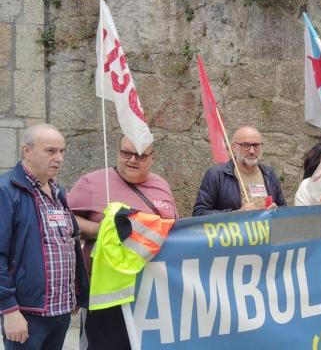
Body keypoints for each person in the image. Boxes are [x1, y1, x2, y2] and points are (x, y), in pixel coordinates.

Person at [68, 135, 178, 350]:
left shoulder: (161, 185)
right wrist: (102, 230)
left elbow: (174, 227)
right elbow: (66, 218)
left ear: (153, 158)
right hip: (107, 295)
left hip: (152, 293)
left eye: (140, 155)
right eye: (125, 153)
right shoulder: (92, 182)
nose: (132, 160)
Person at [0, 124, 89, 350]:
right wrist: (9, 309)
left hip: (60, 312)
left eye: (62, 151)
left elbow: (67, 242)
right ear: (26, 151)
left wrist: (77, 290)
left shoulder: (58, 192)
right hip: (27, 315)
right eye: (51, 151)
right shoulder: (6, 191)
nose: (59, 158)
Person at [193, 126, 286, 215]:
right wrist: (236, 213)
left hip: (266, 231)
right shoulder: (216, 175)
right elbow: (199, 213)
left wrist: (276, 212)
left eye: (256, 145)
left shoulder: (269, 174)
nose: (252, 151)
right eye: (245, 145)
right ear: (233, 147)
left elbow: (283, 208)